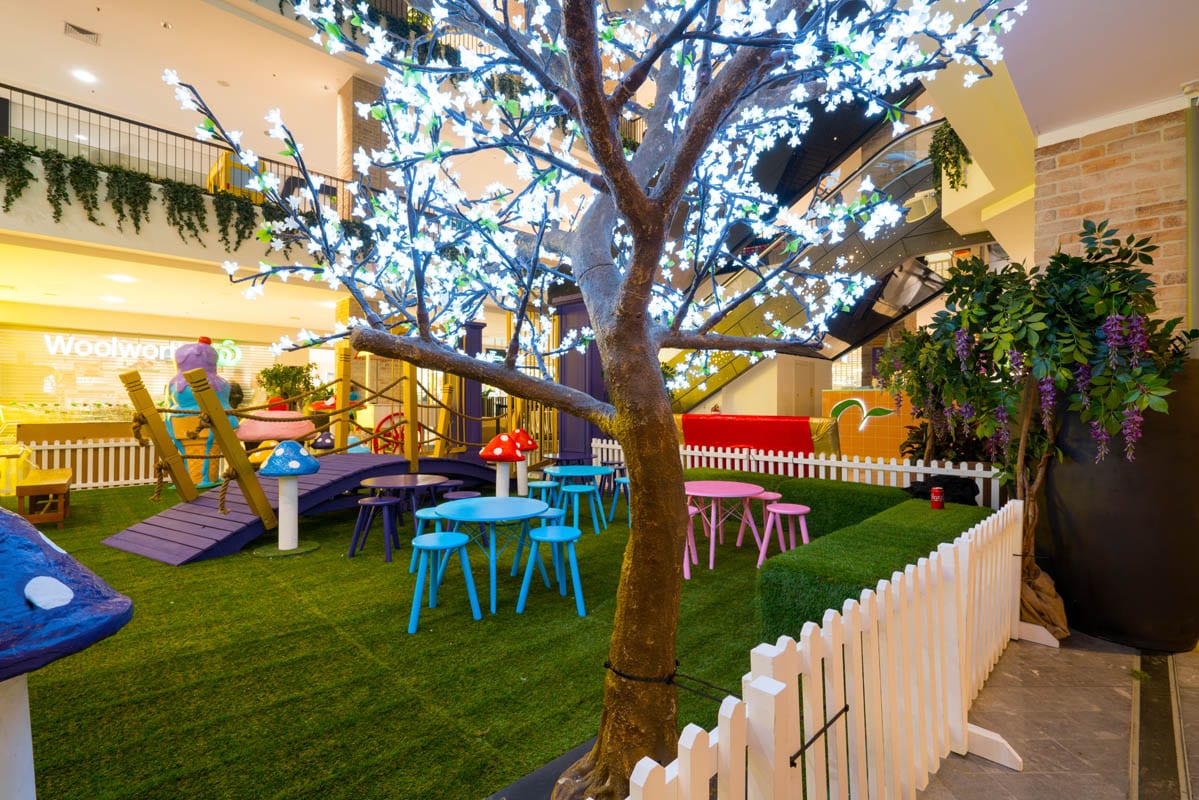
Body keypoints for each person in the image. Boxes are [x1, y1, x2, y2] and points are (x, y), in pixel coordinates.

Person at [164, 337, 238, 487]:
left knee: (196, 451)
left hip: (179, 421)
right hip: (211, 420)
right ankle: (204, 478)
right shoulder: (222, 384)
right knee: (206, 450)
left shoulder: (174, 384)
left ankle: (199, 479)